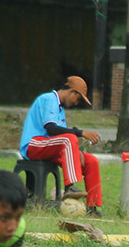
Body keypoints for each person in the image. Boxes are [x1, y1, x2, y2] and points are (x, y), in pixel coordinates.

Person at [19, 75, 104, 216]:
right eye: (78, 99)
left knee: (91, 161)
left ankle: (93, 208)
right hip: (34, 145)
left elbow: (61, 137)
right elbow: (51, 129)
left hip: (51, 147)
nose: (77, 103)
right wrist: (80, 132)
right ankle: (70, 187)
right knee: (69, 138)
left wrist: (78, 152)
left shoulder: (60, 109)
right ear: (72, 92)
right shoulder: (49, 99)